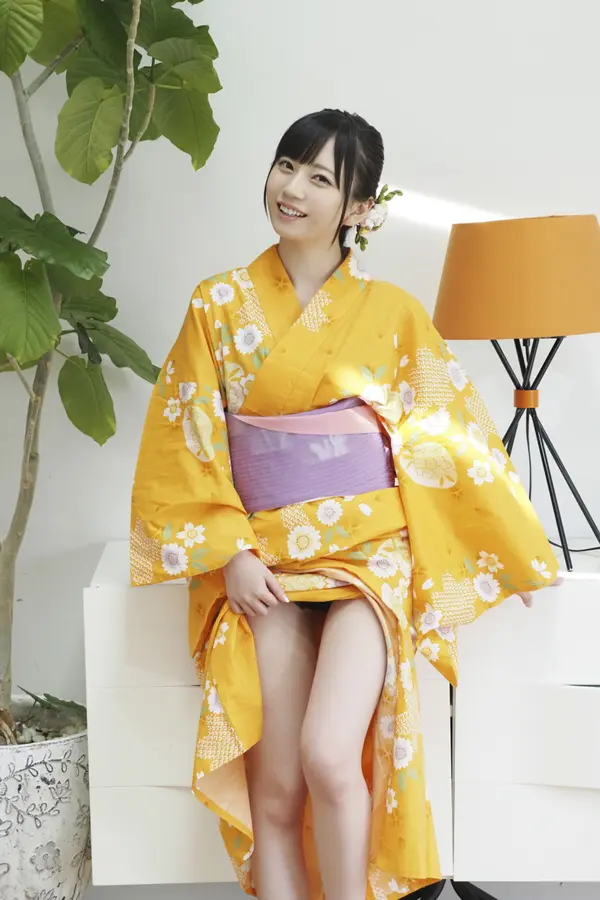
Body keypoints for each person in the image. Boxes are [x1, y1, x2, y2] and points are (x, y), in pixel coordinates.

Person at [130, 109, 558, 900]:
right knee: (277, 785)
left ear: (361, 207)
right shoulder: (216, 303)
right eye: (286, 165)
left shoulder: (392, 312)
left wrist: (514, 545)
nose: (292, 188)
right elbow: (185, 436)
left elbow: (447, 433)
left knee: (330, 754)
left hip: (368, 552)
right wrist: (230, 551)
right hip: (264, 559)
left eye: (321, 178)